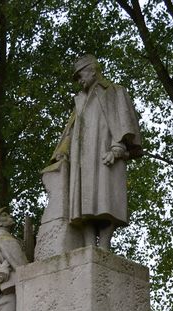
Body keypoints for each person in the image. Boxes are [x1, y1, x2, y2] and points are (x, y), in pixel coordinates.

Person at [50, 54, 142, 249]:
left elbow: (125, 124)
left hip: (106, 153)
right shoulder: (79, 101)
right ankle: (89, 245)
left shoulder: (115, 91)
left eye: (81, 75)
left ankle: (105, 245)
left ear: (93, 70)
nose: (80, 81)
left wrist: (118, 148)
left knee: (107, 201)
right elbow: (70, 130)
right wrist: (63, 151)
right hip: (82, 159)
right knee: (84, 204)